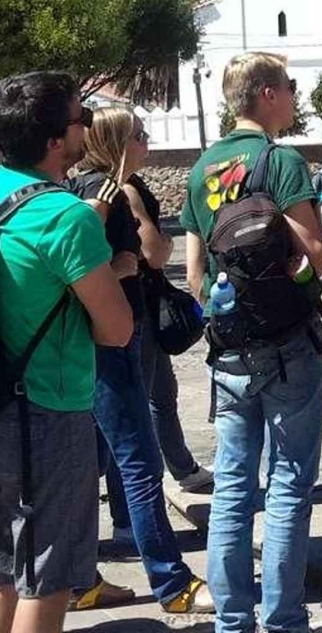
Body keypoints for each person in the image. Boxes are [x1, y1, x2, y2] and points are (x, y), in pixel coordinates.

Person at [0, 72, 134, 633]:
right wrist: (114, 271)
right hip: (47, 410)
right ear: (57, 140)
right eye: (81, 118)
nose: (88, 126)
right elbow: (116, 330)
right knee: (49, 572)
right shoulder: (67, 216)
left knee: (3, 569)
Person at [182, 52, 322, 633]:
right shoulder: (281, 161)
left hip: (231, 350)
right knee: (290, 485)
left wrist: (224, 309)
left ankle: (233, 623)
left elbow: (193, 274)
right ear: (267, 95)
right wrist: (292, 286)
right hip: (290, 347)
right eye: (290, 87)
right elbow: (315, 253)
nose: (295, 97)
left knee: (233, 488)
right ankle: (285, 621)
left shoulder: (200, 170)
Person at [67, 107, 213, 614]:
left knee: (90, 463)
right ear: (114, 142)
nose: (147, 140)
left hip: (84, 345)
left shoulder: (76, 189)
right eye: (139, 134)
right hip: (114, 337)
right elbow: (141, 257)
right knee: (140, 463)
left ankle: (78, 578)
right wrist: (121, 263)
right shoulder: (106, 194)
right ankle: (172, 585)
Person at [130, 168, 215, 495]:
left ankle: (181, 466)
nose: (145, 140)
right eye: (137, 135)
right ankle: (139, 484)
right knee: (144, 397)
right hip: (139, 307)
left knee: (162, 393)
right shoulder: (124, 188)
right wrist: (163, 240)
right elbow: (156, 251)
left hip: (147, 301)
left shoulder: (128, 182)